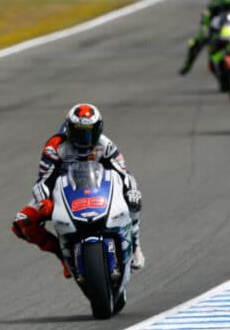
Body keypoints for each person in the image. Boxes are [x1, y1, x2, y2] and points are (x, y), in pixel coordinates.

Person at [11, 104, 144, 276]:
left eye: (89, 132)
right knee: (23, 222)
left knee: (134, 199)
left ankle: (135, 243)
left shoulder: (106, 145)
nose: (84, 139)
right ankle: (62, 255)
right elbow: (43, 180)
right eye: (79, 132)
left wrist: (131, 190)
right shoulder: (55, 147)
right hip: (62, 190)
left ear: (98, 129)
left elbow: (124, 173)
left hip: (98, 187)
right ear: (69, 129)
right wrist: (44, 200)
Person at [180, 0, 230, 75]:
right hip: (218, 30)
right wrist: (205, 27)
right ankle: (188, 64)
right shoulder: (215, 3)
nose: (227, 8)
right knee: (195, 42)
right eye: (225, 6)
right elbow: (206, 17)